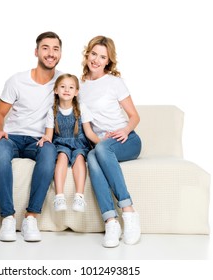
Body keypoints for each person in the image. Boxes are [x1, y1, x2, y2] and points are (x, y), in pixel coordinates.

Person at [0, 31, 62, 242]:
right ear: (36, 51)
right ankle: (8, 218)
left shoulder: (63, 82)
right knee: (2, 154)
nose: (50, 53)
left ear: (60, 54)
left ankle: (31, 217)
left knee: (50, 152)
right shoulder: (17, 81)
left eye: (55, 49)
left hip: (39, 140)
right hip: (12, 136)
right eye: (46, 48)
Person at [79, 35, 142, 248]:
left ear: (108, 61)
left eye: (102, 57)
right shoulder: (79, 86)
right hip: (101, 143)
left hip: (127, 140)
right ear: (87, 54)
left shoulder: (115, 83)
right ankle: (111, 221)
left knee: (101, 148)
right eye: (94, 54)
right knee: (92, 155)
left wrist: (125, 130)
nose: (96, 60)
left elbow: (135, 116)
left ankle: (129, 211)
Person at [37, 74, 99, 212]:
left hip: (80, 144)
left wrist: (102, 144)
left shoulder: (81, 108)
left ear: (76, 92)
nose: (67, 90)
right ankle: (59, 197)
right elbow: (49, 134)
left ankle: (79, 197)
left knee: (79, 158)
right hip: (61, 144)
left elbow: (89, 133)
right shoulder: (52, 111)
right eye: (63, 87)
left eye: (71, 87)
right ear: (56, 90)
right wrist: (44, 139)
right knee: (62, 157)